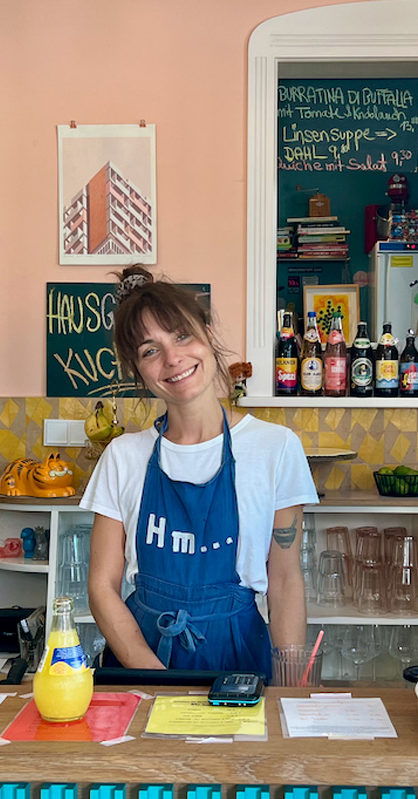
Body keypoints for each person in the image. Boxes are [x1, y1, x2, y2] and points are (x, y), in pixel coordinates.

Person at [81, 266, 317, 676]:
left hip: (239, 659)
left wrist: (291, 683)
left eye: (181, 335)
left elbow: (284, 583)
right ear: (138, 371)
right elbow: (102, 588)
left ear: (207, 334)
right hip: (141, 657)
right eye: (150, 350)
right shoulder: (123, 457)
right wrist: (156, 681)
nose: (173, 359)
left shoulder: (275, 449)